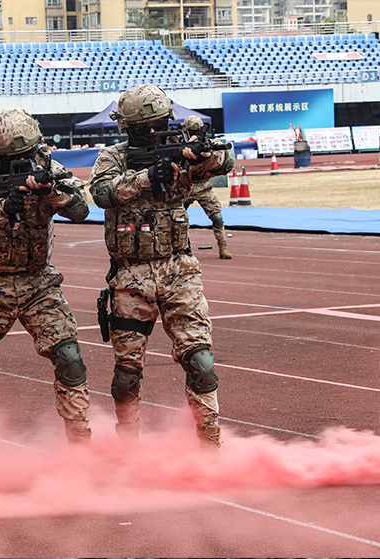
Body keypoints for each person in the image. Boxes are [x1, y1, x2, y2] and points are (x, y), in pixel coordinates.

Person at [88, 84, 234, 448]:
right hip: (129, 276)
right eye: (142, 128)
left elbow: (224, 162)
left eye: (157, 125)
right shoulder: (114, 157)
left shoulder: (180, 150)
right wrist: (146, 177)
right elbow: (102, 194)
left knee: (201, 363)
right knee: (127, 375)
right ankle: (129, 445)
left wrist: (197, 158)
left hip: (179, 270)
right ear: (127, 128)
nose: (152, 133)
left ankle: (211, 444)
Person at [0, 108, 93, 443]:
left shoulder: (48, 165)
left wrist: (51, 192)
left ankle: (81, 447)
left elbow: (82, 209)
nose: (21, 162)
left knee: (69, 359)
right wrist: (2, 208)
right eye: (12, 159)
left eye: (25, 156)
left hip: (39, 282)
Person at [180, 116, 233, 259]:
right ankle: (185, 249)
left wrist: (208, 154)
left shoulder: (211, 143)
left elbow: (222, 158)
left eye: (197, 131)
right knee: (178, 220)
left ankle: (223, 248)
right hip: (185, 187)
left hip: (204, 187)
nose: (194, 134)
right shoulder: (179, 144)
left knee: (217, 217)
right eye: (191, 131)